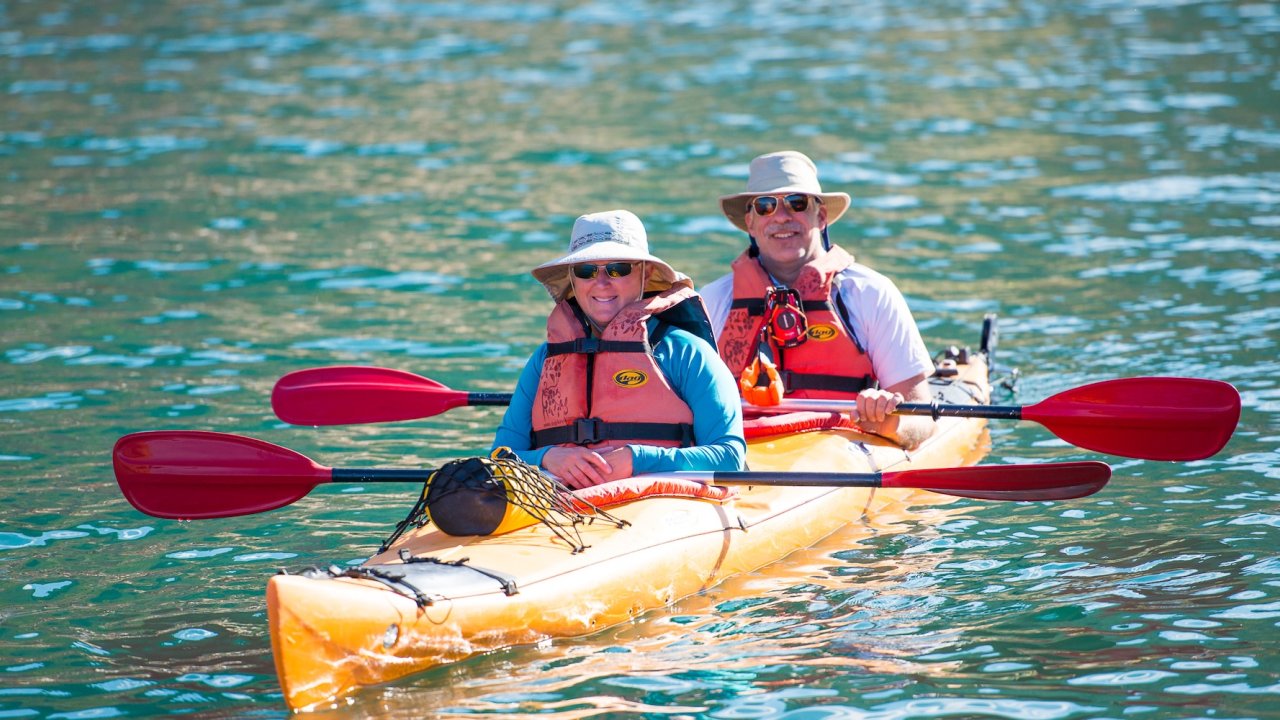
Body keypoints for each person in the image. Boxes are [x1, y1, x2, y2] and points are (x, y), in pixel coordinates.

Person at [700, 151, 937, 449]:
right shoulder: (711, 302)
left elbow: (922, 419)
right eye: (765, 206)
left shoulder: (870, 294)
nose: (781, 217)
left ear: (821, 216)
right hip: (742, 453)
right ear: (750, 223)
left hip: (839, 452)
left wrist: (888, 421)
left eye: (797, 204)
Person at [493, 209, 746, 489]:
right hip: (562, 503)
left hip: (661, 507)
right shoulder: (544, 359)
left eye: (618, 269)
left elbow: (730, 458)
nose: (601, 283)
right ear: (573, 280)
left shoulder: (688, 353)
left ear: (645, 273)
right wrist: (548, 457)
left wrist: (637, 459)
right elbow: (500, 458)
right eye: (586, 270)